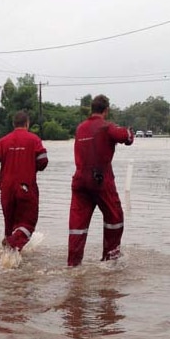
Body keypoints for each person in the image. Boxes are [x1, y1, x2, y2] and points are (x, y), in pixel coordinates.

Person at [67, 94, 134, 267]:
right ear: (106, 110)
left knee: (77, 226)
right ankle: (110, 260)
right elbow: (127, 138)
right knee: (115, 218)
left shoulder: (80, 128)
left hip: (80, 181)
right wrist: (129, 131)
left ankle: (73, 264)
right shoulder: (107, 127)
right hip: (101, 180)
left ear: (92, 109)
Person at [0, 110, 48, 257]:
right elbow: (43, 162)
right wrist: (31, 167)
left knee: (10, 226)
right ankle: (12, 243)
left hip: (6, 189)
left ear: (14, 124)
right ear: (27, 124)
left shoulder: (3, 141)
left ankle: (8, 261)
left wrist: (0, 176)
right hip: (26, 187)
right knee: (28, 224)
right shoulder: (34, 139)